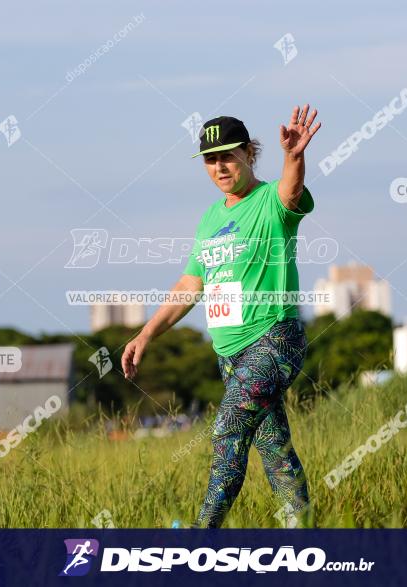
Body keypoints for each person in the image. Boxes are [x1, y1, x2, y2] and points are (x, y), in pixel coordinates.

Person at [121, 105, 321, 528]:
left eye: (228, 155)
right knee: (275, 449)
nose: (219, 166)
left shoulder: (271, 202)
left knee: (227, 430)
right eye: (211, 159)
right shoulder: (210, 219)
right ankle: (306, 537)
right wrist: (146, 334)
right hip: (230, 354)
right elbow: (190, 286)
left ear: (249, 153)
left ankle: (200, 536)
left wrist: (295, 156)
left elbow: (290, 190)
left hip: (273, 339)